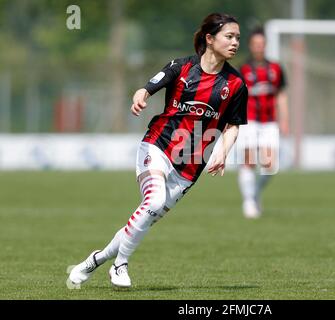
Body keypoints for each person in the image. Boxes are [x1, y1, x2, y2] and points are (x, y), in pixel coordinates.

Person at [68, 13, 247, 288]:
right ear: (210, 39)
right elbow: (146, 88)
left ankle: (95, 260)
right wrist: (140, 95)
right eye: (229, 36)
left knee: (145, 218)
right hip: (158, 145)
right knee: (152, 203)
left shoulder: (235, 85)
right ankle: (120, 265)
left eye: (237, 37)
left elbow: (233, 126)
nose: (235, 42)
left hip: (190, 165)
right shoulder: (182, 67)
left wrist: (222, 152)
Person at [237, 27, 289, 219]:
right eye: (255, 44)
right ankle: (249, 201)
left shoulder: (275, 69)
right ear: (251, 46)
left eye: (262, 44)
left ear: (265, 45)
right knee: (249, 162)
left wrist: (284, 120)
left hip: (269, 122)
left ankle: (255, 193)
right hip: (248, 120)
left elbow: (281, 95)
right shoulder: (243, 69)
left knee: (270, 165)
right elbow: (236, 97)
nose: (259, 47)